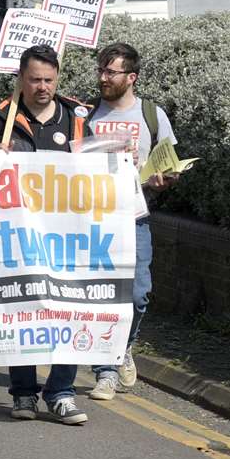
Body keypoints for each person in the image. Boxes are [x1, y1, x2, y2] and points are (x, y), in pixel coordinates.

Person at [0, 43, 90, 426]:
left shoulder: (77, 117)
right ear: (20, 80)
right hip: (17, 235)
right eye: (34, 80)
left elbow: (96, 168)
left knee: (70, 310)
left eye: (49, 79)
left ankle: (61, 392)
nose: (42, 87)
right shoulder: (0, 117)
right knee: (21, 311)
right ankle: (24, 392)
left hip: (67, 235)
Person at [86, 41, 174, 402]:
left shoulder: (152, 114)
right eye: (101, 71)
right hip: (94, 220)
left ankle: (125, 346)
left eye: (111, 72)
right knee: (103, 297)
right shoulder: (86, 115)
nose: (103, 78)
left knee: (138, 295)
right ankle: (105, 372)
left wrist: (165, 177)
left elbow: (168, 163)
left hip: (136, 219)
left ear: (131, 77)